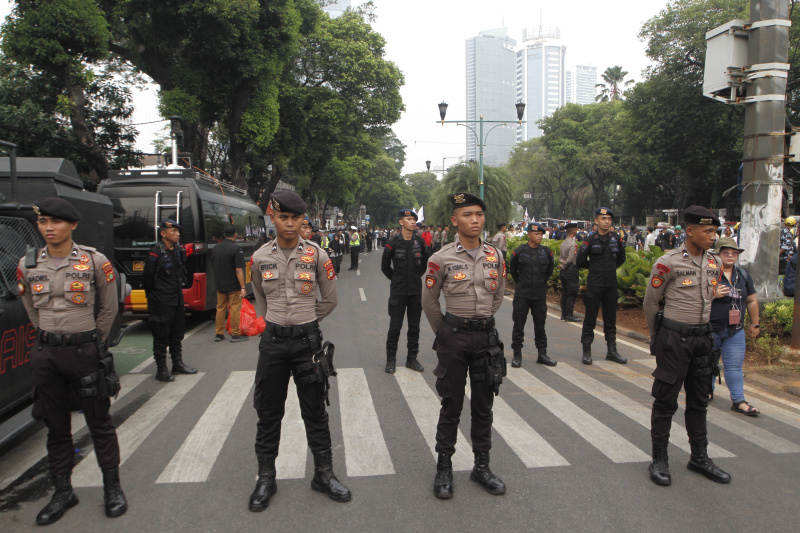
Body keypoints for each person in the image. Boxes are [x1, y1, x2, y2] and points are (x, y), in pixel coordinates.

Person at [18, 197, 127, 524]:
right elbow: (30, 307)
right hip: (46, 354)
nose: (49, 228)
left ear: (73, 225)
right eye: (43, 222)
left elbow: (109, 308)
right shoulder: (28, 264)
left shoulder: (95, 262)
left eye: (56, 222)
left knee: (99, 423)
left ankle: (113, 488)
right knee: (55, 426)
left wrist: (92, 341)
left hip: (85, 352)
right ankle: (63, 491)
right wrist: (50, 336)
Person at [248, 191, 349, 511]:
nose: (289, 224)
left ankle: (324, 474)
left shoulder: (318, 256)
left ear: (303, 220)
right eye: (283, 218)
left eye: (295, 218)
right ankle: (266, 478)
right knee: (268, 412)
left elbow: (330, 299)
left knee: (315, 410)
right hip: (274, 344)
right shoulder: (260, 257)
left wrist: (304, 321)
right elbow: (259, 297)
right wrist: (278, 321)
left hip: (308, 343)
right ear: (273, 218)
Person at [422, 192, 507, 500]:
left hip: (486, 338)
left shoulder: (495, 256)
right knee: (452, 405)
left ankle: (481, 467)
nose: (475, 220)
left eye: (479, 214)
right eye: (468, 214)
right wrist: (445, 331)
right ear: (454, 220)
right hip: (453, 338)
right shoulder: (440, 258)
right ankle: (444, 467)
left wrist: (480, 320)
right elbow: (429, 302)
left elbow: (498, 296)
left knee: (484, 406)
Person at [643, 206, 732, 487]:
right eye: (708, 231)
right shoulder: (668, 263)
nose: (713, 236)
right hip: (674, 339)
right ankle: (659, 460)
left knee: (699, 401)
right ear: (690, 231)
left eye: (715, 231)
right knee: (666, 401)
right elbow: (651, 303)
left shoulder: (714, 263)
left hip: (702, 340)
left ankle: (699, 457)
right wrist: (658, 336)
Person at [709, 237, 761, 414]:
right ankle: (706, 391)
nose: (730, 256)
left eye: (734, 253)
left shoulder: (743, 275)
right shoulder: (709, 273)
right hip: (710, 328)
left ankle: (738, 400)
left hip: (735, 329)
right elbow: (693, 298)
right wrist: (712, 295)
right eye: (726, 252)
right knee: (707, 363)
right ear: (717, 254)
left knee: (734, 366)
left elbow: (752, 300)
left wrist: (755, 324)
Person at [143, 219, 198, 382]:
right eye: (173, 231)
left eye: (178, 231)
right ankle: (161, 369)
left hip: (176, 297)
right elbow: (147, 277)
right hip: (161, 299)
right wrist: (153, 296)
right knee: (161, 335)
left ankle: (177, 364)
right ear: (163, 233)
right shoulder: (156, 251)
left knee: (177, 333)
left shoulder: (178, 250)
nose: (177, 234)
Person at [576, 207, 627, 365]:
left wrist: (609, 269)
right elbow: (580, 261)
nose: (607, 222)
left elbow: (621, 258)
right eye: (603, 219)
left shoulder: (616, 238)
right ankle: (586, 350)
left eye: (609, 219)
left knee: (610, 318)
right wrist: (596, 267)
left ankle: (612, 350)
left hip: (610, 284)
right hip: (595, 284)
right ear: (596, 221)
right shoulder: (589, 240)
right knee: (590, 318)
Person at [381, 208, 429, 373]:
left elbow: (424, 265)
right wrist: (397, 279)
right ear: (401, 222)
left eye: (414, 219)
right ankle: (391, 360)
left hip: (415, 291)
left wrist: (415, 277)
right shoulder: (393, 242)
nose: (413, 222)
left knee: (414, 327)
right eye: (409, 219)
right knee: (395, 327)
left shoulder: (420, 243)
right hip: (398, 291)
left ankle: (412, 359)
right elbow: (385, 267)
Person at [509, 222, 557, 368]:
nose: (540, 236)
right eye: (536, 234)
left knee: (540, 325)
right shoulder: (519, 251)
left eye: (541, 234)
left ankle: (542, 354)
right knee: (519, 324)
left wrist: (540, 283)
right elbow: (513, 269)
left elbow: (549, 270)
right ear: (529, 234)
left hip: (539, 294)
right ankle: (517, 355)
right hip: (522, 293)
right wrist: (522, 283)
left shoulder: (546, 252)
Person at [212, 226, 249, 343]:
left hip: (220, 283)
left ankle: (219, 333)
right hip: (233, 284)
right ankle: (235, 334)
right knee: (234, 308)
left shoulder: (216, 248)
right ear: (235, 235)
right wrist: (243, 287)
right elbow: (239, 270)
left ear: (224, 234)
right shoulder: (236, 249)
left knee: (220, 308)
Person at [559, 223, 582, 322]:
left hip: (563, 270)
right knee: (571, 293)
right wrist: (564, 265)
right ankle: (569, 314)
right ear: (575, 231)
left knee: (564, 293)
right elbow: (571, 258)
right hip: (571, 270)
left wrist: (562, 265)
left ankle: (564, 314)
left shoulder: (563, 243)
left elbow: (561, 258)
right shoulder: (574, 245)